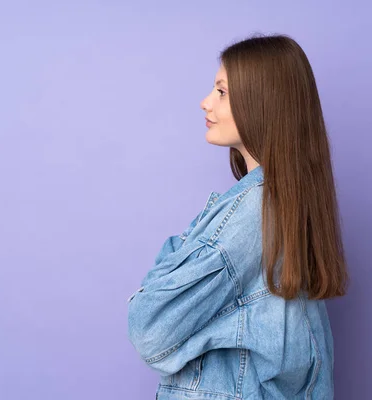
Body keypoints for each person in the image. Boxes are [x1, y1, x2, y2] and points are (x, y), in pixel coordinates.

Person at [127, 34, 349, 400]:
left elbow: (149, 328)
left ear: (262, 102)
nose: (205, 103)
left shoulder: (252, 213)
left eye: (221, 92)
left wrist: (178, 252)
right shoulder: (288, 204)